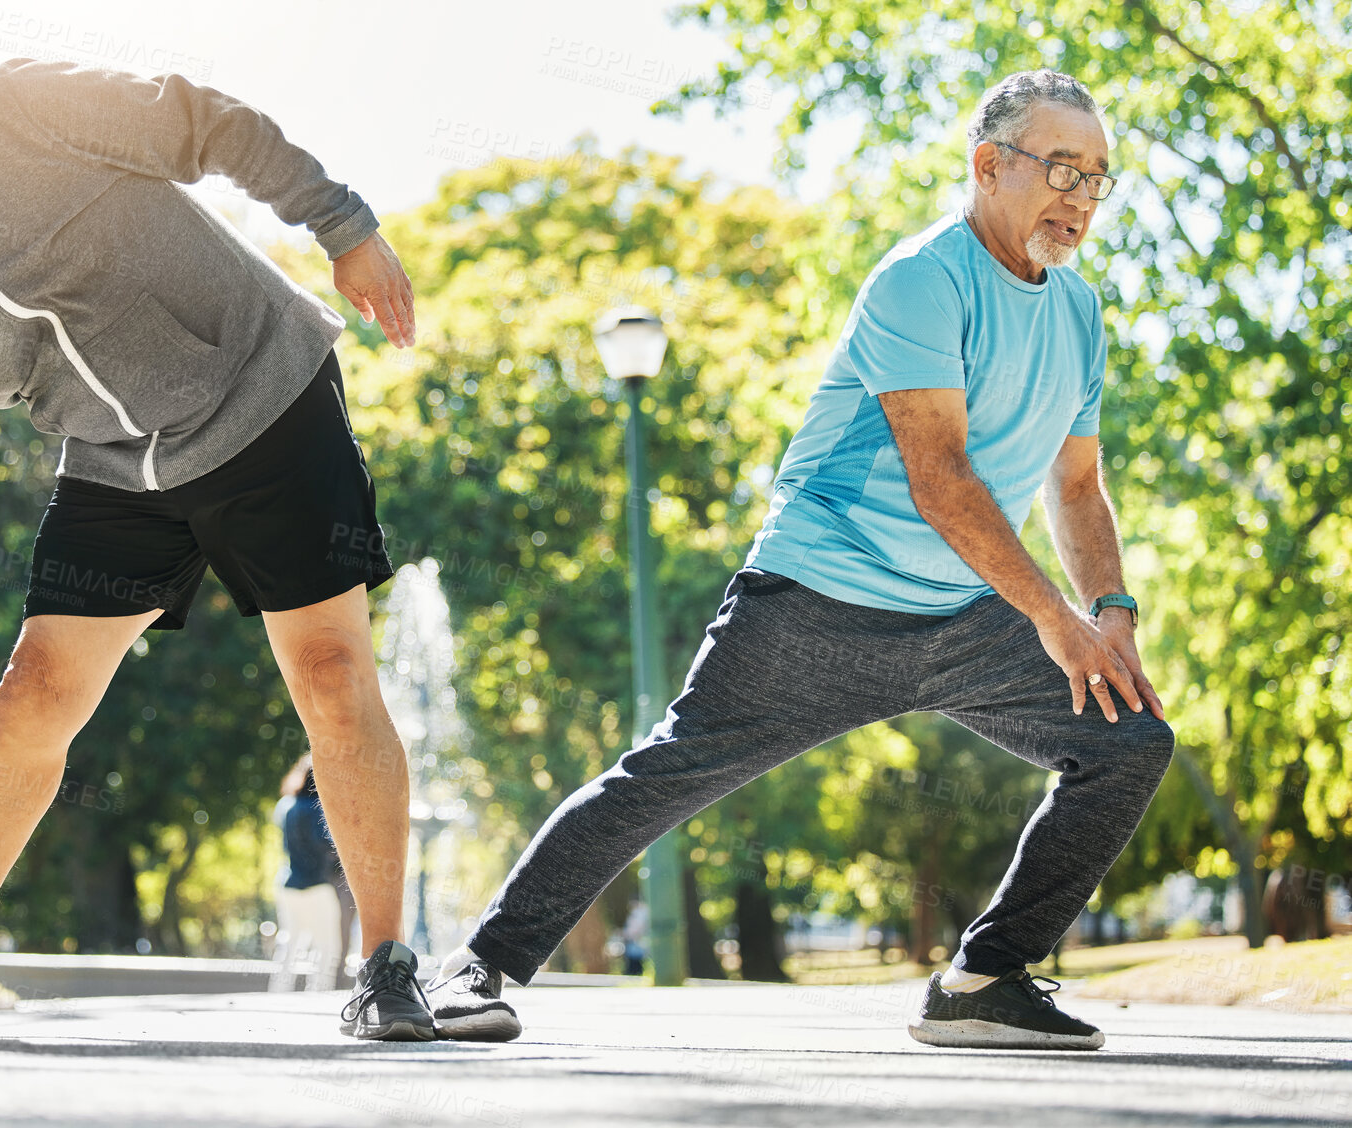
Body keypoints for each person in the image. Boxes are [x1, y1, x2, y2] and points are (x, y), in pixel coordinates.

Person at [427, 69, 1173, 1051]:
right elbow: (939, 479)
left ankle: (982, 980)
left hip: (962, 613)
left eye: (1096, 178)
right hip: (817, 602)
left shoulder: (1077, 314)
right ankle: (475, 964)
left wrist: (1108, 614)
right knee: (665, 775)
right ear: (988, 166)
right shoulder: (922, 279)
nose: (1078, 198)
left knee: (1127, 742)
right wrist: (1052, 618)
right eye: (1059, 170)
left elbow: (1075, 488)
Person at [0, 57, 432, 1041]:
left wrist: (341, 224)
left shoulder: (11, 114)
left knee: (332, 678)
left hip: (264, 394)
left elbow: (205, 123)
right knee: (29, 695)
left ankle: (385, 966)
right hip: (121, 463)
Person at [270, 757, 344, 992]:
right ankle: (319, 992)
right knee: (329, 947)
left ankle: (278, 991)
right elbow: (326, 845)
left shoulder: (286, 805)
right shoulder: (316, 809)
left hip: (288, 883)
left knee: (289, 942)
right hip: (317, 886)